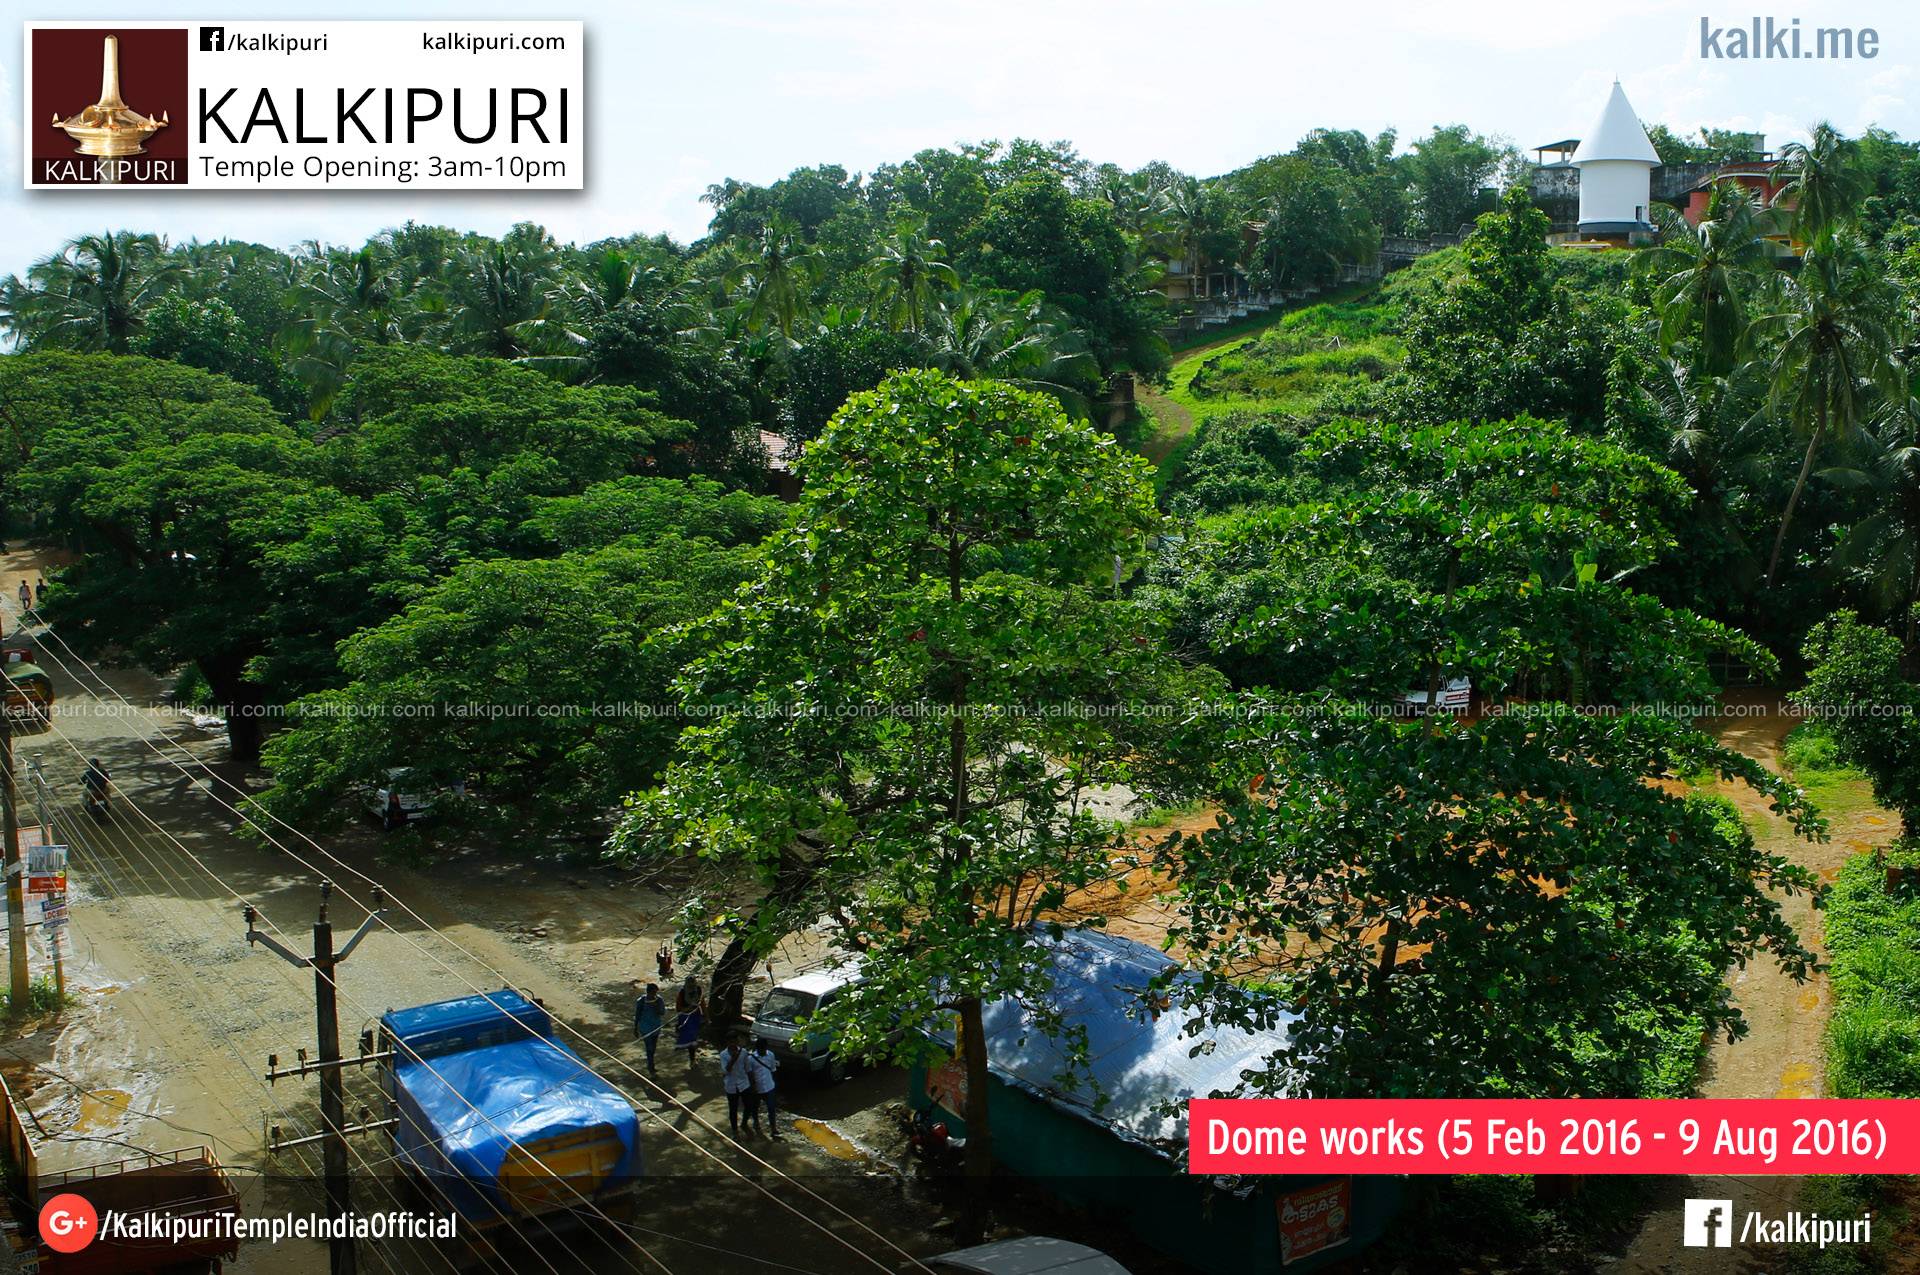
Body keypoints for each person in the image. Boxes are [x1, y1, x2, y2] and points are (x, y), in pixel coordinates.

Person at [718, 1035, 753, 1136]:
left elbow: (748, 1068)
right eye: (731, 1042)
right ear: (727, 1043)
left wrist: (751, 1083)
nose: (733, 1045)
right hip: (731, 1085)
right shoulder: (723, 1055)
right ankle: (735, 1130)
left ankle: (744, 1123)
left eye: (735, 1042)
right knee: (733, 1109)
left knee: (748, 1106)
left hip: (744, 1084)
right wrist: (733, 1059)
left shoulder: (744, 1052)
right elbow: (726, 1071)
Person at [746, 1040, 781, 1140]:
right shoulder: (751, 1059)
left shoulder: (770, 1055)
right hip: (757, 1088)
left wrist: (775, 1084)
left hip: (769, 1086)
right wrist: (753, 1087)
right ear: (757, 1049)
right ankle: (756, 1123)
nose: (763, 1051)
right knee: (755, 1108)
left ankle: (773, 1128)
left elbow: (773, 1070)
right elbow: (749, 1074)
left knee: (771, 1108)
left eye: (764, 1049)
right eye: (761, 1049)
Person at [633, 983, 666, 1077]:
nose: (654, 995)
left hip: (655, 1027)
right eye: (652, 993)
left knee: (653, 1048)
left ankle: (650, 1062)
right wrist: (635, 1028)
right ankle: (651, 1067)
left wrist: (656, 1006)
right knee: (649, 1047)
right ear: (648, 992)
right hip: (645, 1028)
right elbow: (637, 1015)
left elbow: (662, 1012)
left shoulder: (659, 1000)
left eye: (655, 993)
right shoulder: (641, 1001)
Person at [673, 976, 705, 1070]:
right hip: (685, 1017)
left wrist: (706, 1016)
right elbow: (678, 1008)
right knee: (689, 1038)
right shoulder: (682, 993)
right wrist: (688, 1009)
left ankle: (693, 1058)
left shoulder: (698, 990)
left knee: (693, 1038)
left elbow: (702, 1003)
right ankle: (691, 1057)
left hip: (696, 1016)